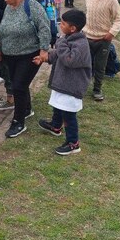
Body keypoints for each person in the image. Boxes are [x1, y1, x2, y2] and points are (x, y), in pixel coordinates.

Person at [0, 0, 51, 138]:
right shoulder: (8, 7)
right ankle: (26, 109)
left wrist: (43, 50)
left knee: (18, 86)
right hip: (10, 55)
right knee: (19, 83)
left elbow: (44, 27)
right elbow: (2, 29)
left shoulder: (31, 6)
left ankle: (18, 122)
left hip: (30, 54)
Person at [34, 9, 92, 155]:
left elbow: (69, 60)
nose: (61, 24)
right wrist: (45, 58)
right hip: (62, 82)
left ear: (73, 28)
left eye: (64, 23)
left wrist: (60, 43)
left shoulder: (81, 44)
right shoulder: (67, 39)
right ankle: (55, 126)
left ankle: (73, 143)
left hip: (72, 86)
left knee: (69, 114)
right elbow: (58, 55)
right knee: (58, 105)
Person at [82, 0, 120, 101]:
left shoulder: (111, 0)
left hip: (103, 40)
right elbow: (88, 14)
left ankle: (97, 89)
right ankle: (81, 86)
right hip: (87, 38)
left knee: (100, 66)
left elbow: (118, 19)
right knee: (85, 64)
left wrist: (111, 33)